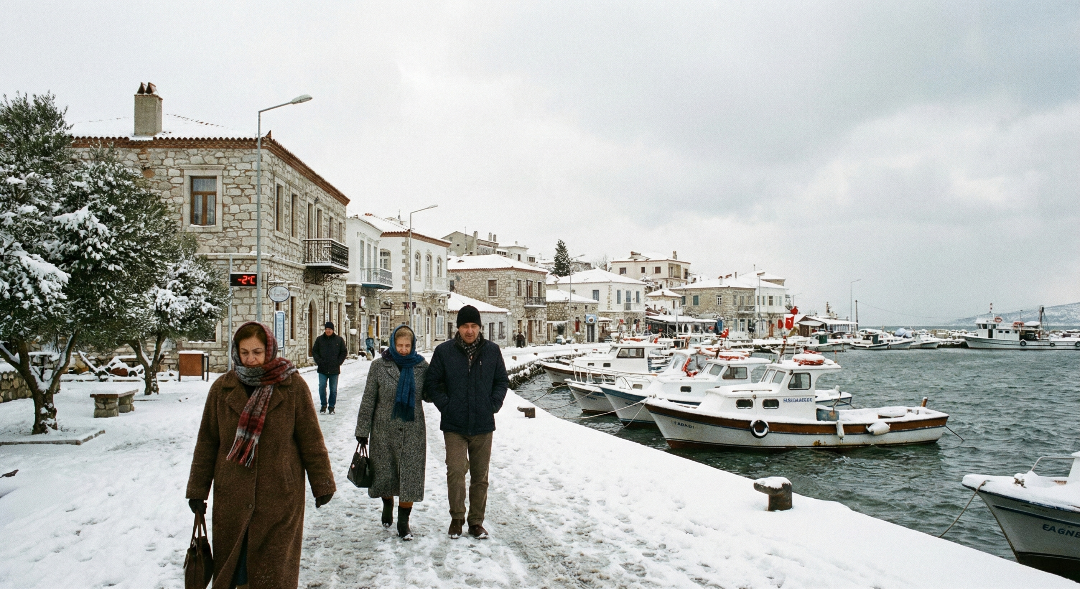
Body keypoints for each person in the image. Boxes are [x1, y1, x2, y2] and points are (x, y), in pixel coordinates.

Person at [187, 322, 335, 588]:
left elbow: (311, 439)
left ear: (269, 350)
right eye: (244, 352)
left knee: (272, 573)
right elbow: (207, 443)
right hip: (232, 496)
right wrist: (198, 490)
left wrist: (322, 482)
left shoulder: (292, 387)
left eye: (257, 351)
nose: (251, 359)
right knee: (235, 570)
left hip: (279, 496)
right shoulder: (222, 390)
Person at [423, 305, 509, 540]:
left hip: (483, 423)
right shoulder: (444, 352)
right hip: (454, 424)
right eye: (465, 326)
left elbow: (502, 381)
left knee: (480, 476)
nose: (469, 331)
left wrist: (493, 404)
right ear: (458, 328)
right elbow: (433, 383)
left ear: (479, 327)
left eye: (473, 326)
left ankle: (476, 522)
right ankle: (457, 518)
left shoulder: (492, 351)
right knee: (456, 470)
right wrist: (446, 405)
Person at [354, 325, 428, 540]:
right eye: (400, 345)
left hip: (413, 430)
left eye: (407, 346)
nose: (404, 350)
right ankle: (387, 503)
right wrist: (362, 430)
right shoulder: (378, 366)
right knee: (385, 474)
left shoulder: (422, 366)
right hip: (383, 429)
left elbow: (430, 394)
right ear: (392, 343)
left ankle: (404, 522)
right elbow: (369, 398)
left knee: (410, 477)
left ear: (413, 345)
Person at [311, 321, 347, 414]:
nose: (328, 331)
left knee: (333, 389)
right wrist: (319, 361)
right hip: (322, 369)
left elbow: (344, 352)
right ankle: (323, 405)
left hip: (334, 369)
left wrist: (338, 362)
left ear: (333, 330)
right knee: (322, 387)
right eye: (327, 329)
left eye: (330, 329)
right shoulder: (319, 340)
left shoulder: (339, 340)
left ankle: (331, 407)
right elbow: (314, 351)